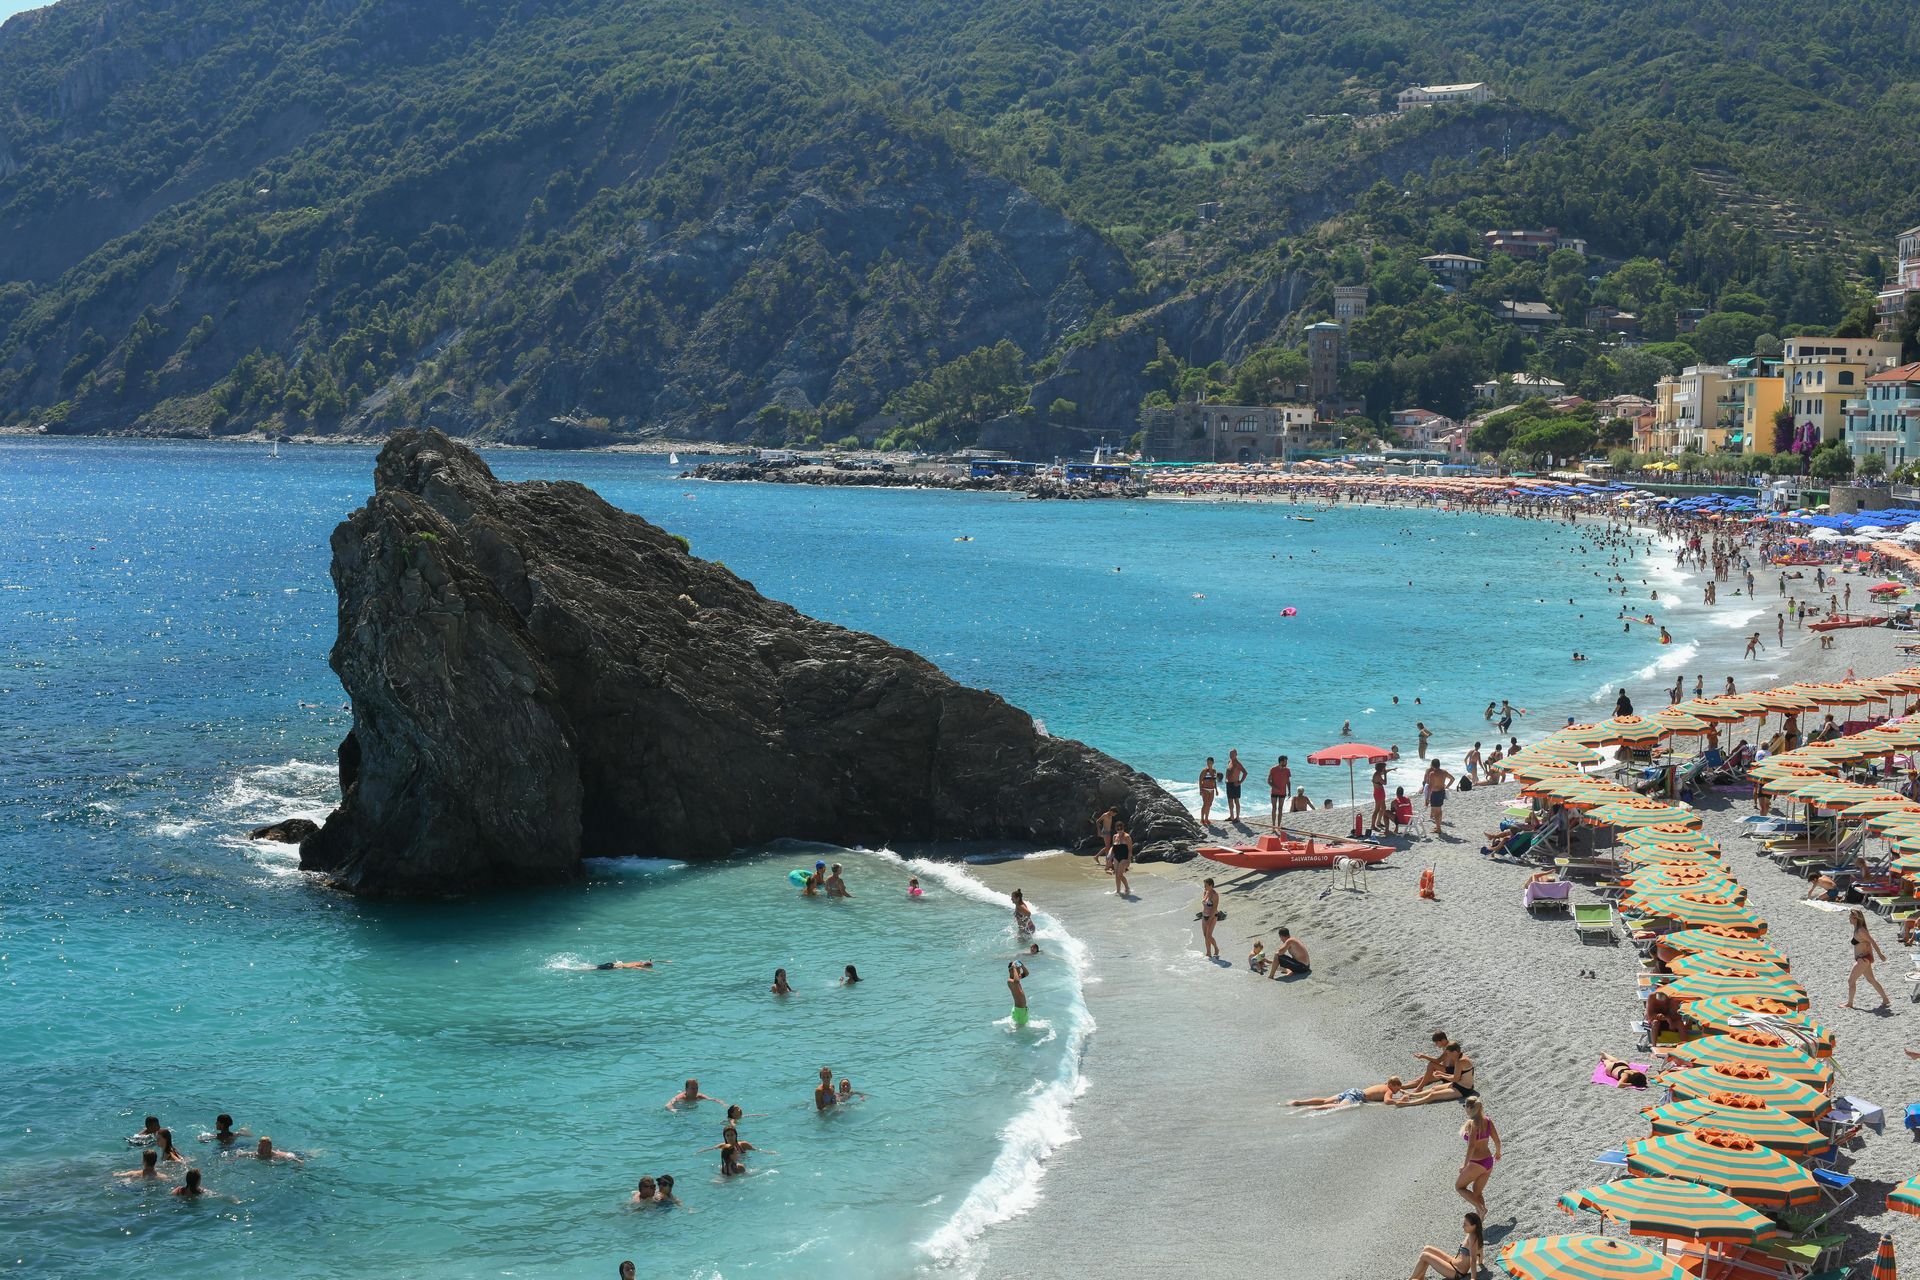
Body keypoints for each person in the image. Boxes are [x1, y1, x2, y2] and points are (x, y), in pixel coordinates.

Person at [1409, 1213, 1484, 1280]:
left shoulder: (1473, 1238)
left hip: (1455, 1271)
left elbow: (1473, 1259)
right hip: (1452, 1262)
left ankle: (1411, 1279)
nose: (1463, 1226)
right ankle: (1421, 1278)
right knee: (1427, 1248)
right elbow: (1480, 1250)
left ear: (1474, 1226)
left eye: (1465, 1224)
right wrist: (1480, 1262)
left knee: (1424, 1256)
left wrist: (1473, 1278)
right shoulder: (1473, 1234)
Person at [1396, 1045, 1476, 1106]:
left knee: (1433, 1095)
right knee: (1434, 1088)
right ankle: (1411, 1095)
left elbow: (1455, 1078)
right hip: (1458, 1084)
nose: (1448, 1056)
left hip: (1464, 1089)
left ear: (1455, 1052)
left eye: (1448, 1054)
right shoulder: (1460, 1057)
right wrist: (1442, 1074)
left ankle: (1407, 1103)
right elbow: (1457, 1077)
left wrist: (1442, 1076)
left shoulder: (1460, 1061)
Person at [1845, 909, 1891, 1010]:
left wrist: (1880, 954)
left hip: (1862, 959)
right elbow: (1866, 943)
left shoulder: (1861, 930)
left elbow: (1872, 942)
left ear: (1855, 918)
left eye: (1850, 917)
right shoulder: (1857, 929)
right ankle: (1885, 999)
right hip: (1863, 959)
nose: (1848, 918)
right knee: (1871, 980)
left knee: (1851, 980)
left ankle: (1849, 1003)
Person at [1287, 1078, 1406, 1111]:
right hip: (1357, 1096)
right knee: (1339, 1107)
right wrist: (1401, 1099)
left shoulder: (1383, 1085)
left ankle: (1299, 1102)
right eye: (1397, 1088)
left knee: (1325, 1100)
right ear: (1392, 1085)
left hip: (1353, 1090)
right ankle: (1313, 1108)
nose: (1397, 1091)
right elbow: (1387, 1101)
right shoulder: (1389, 1090)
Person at [1423, 759, 1455, 834]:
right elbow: (1452, 779)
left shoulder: (1432, 774)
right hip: (1441, 792)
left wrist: (1427, 798)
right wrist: (1447, 786)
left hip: (1435, 793)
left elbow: (1430, 787)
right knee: (1439, 810)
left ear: (1432, 765)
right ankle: (1438, 826)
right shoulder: (1444, 772)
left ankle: (1438, 829)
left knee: (1436, 812)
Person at [1199, 878, 1221, 959]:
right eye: (1204, 885)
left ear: (1211, 885)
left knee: (1209, 935)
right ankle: (1213, 949)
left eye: (1206, 885)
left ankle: (1210, 952)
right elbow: (1204, 904)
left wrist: (1209, 920)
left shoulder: (1215, 895)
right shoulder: (1205, 892)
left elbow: (1214, 909)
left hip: (1212, 916)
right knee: (1205, 935)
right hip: (1204, 916)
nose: (1204, 887)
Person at [1224, 750, 1248, 823]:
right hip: (1229, 784)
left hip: (1235, 784)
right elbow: (1227, 772)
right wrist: (1226, 779)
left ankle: (1237, 817)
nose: (1231, 755)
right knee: (1229, 801)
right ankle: (1231, 816)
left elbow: (1245, 773)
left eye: (1232, 754)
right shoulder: (1230, 762)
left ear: (1236, 754)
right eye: (1230, 754)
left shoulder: (1238, 764)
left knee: (1236, 801)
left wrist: (1240, 782)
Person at [1268, 756, 1291, 828]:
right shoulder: (1273, 769)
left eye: (1286, 761)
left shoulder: (1287, 770)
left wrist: (1289, 791)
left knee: (1280, 808)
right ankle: (1273, 825)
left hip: (1283, 792)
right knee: (1274, 808)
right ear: (1281, 761)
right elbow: (1269, 781)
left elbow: (1288, 781)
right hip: (1274, 792)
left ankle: (1279, 825)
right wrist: (1275, 788)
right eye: (1285, 761)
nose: (1286, 763)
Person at [1008, 961, 1031, 1027]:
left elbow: (1026, 973)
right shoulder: (1010, 981)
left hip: (1020, 1009)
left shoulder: (1016, 978)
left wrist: (1022, 966)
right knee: (1021, 1029)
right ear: (1011, 971)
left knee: (1018, 1028)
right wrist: (1014, 967)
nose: (1019, 972)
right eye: (1017, 970)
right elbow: (1016, 981)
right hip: (1020, 1010)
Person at [1110, 828, 1132, 897]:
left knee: (1120, 874)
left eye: (1121, 829)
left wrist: (1129, 860)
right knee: (1116, 875)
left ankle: (1127, 888)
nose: (1120, 830)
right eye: (1118, 829)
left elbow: (1130, 849)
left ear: (1123, 828)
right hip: (1116, 857)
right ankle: (1118, 891)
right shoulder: (1114, 836)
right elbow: (1113, 848)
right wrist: (1111, 857)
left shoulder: (1127, 837)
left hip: (1124, 857)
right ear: (1116, 829)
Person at [1198, 757, 1220, 826]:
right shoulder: (1204, 771)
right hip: (1205, 789)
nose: (1208, 764)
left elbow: (1214, 781)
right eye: (1207, 762)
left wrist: (1216, 790)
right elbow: (1200, 780)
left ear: (1213, 763)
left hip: (1212, 790)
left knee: (1209, 804)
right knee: (1205, 804)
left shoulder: (1214, 771)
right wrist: (1200, 790)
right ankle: (1202, 819)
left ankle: (1206, 819)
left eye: (1210, 762)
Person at [1369, 761, 1390, 833]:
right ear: (1381, 768)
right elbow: (1385, 783)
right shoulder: (1377, 775)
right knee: (1377, 810)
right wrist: (1385, 775)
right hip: (1378, 794)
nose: (1385, 768)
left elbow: (1385, 771)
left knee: (1383, 808)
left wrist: (1391, 769)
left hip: (1381, 792)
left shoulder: (1378, 773)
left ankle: (1378, 822)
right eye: (1384, 767)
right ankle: (1372, 825)